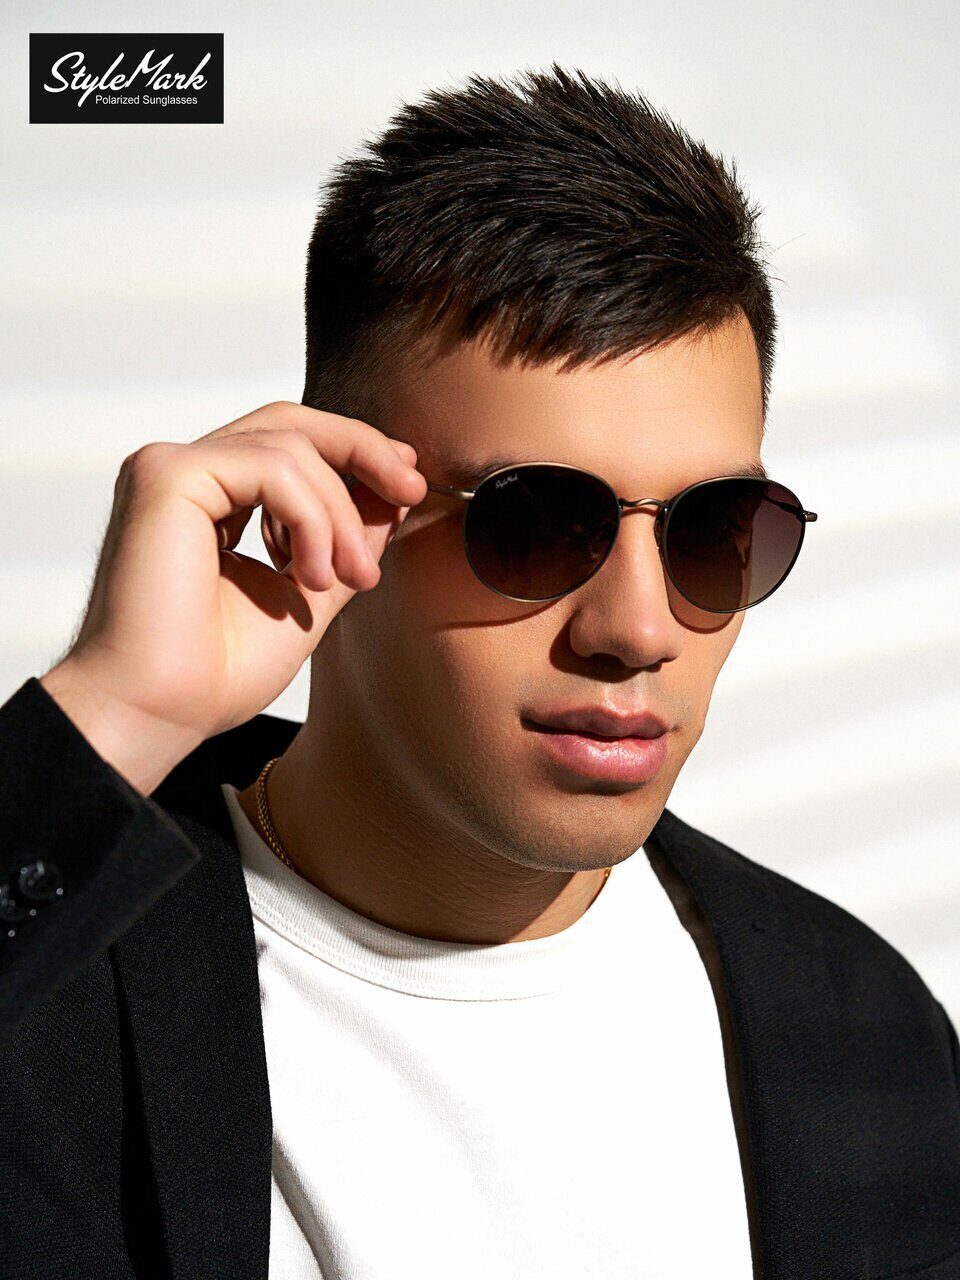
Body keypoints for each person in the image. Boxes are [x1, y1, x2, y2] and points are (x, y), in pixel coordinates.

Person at [1, 63, 958, 1280]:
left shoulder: (863, 1032)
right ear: (339, 503)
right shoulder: (55, 982)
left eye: (716, 528)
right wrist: (118, 708)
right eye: (537, 522)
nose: (638, 626)